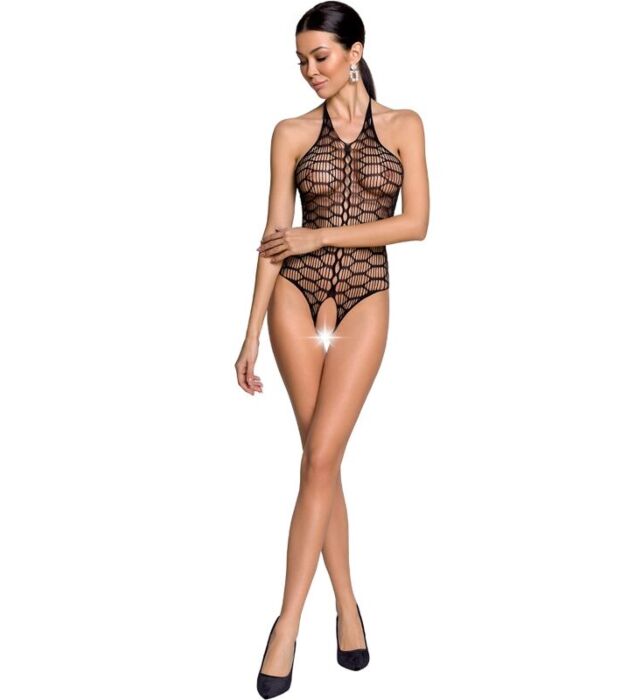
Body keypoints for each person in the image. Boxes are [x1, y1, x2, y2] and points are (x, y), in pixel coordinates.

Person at [234, 2, 429, 696]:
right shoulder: (290, 133)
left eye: (319, 56)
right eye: (301, 61)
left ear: (355, 51)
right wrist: (249, 333)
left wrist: (320, 235)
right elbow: (272, 239)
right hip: (296, 293)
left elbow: (416, 223)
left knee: (321, 458)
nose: (309, 70)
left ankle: (303, 616)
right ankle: (322, 616)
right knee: (321, 458)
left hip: (366, 294)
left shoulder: (404, 125)